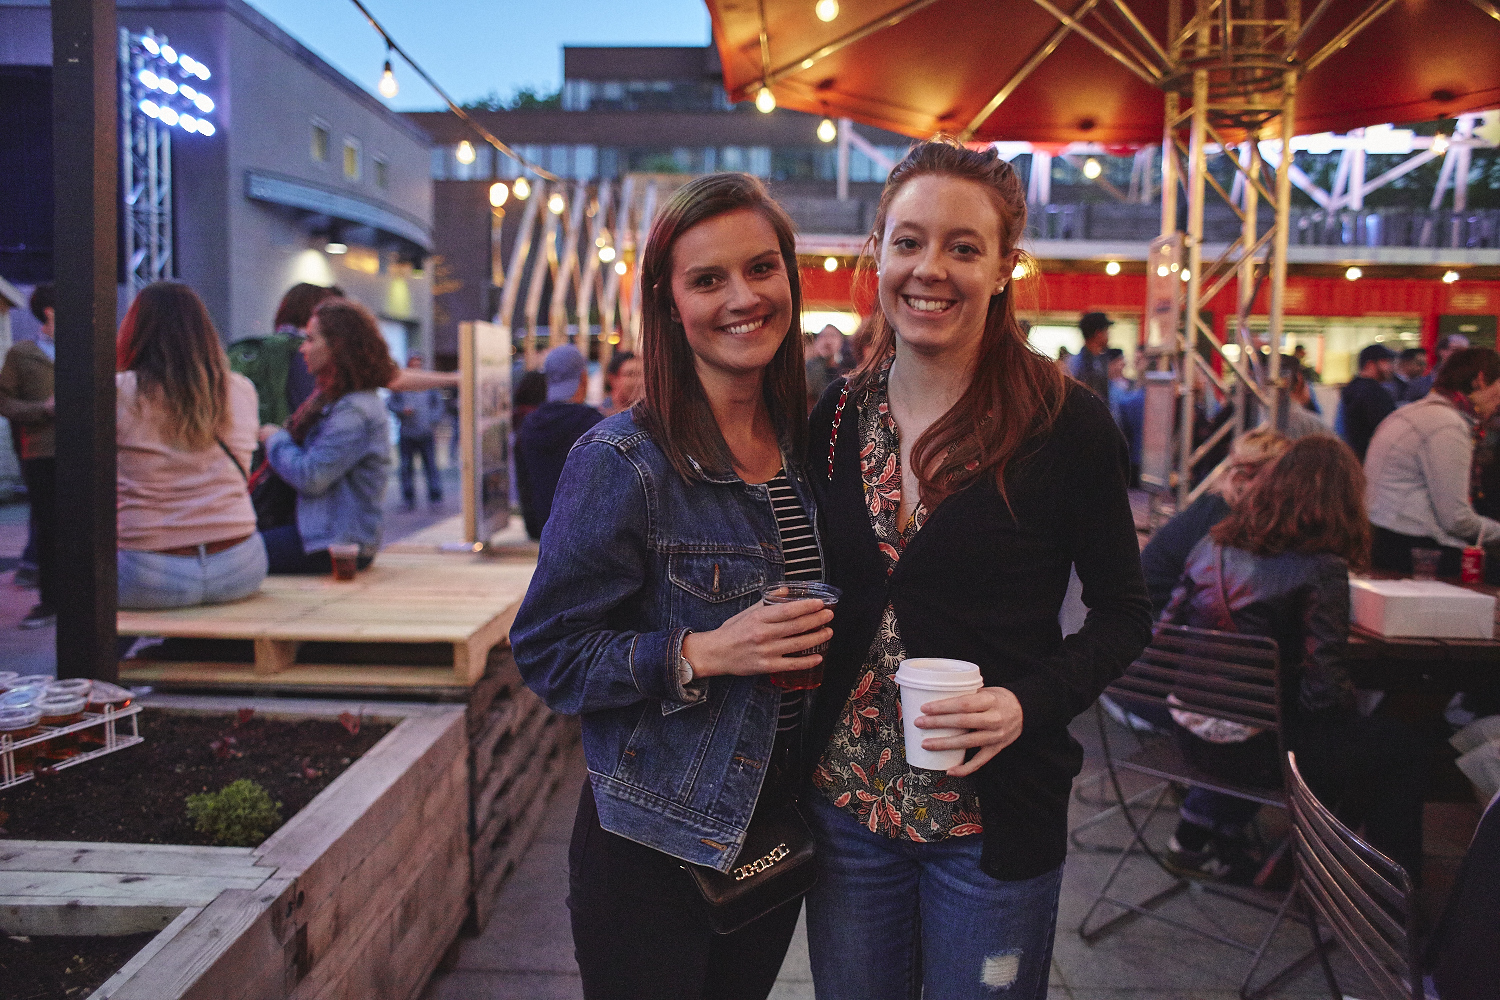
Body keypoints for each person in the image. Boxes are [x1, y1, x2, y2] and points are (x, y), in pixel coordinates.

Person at [804, 140, 1153, 1000]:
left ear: (1004, 268)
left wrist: (1025, 703)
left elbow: (1124, 614)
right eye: (909, 242)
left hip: (990, 822)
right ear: (878, 253)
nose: (932, 269)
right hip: (846, 813)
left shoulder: (1064, 422)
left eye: (964, 247)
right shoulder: (839, 413)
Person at [509, 172, 831, 999]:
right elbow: (548, 655)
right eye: (707, 278)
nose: (742, 298)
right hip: (653, 844)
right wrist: (705, 651)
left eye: (761, 268)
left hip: (773, 826)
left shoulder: (810, 450)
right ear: (670, 302)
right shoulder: (622, 461)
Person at [1159, 436, 1426, 881]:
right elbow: (1324, 697)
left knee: (1362, 742)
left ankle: (1302, 860)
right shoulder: (1321, 568)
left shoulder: (1213, 544)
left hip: (1187, 732)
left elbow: (1165, 638)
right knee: (1399, 746)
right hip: (1257, 751)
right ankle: (1390, 896)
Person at [115, 282, 267, 608]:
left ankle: (112, 661)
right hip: (242, 565)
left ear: (135, 330)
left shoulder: (118, 391)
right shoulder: (241, 389)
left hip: (149, 571)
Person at [257, 299, 396, 574]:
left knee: (236, 557)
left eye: (310, 339)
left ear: (337, 346)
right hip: (322, 536)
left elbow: (312, 476)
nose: (302, 348)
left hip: (334, 545)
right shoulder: (338, 401)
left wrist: (274, 439)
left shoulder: (354, 410)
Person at [1365, 347, 1500, 578]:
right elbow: (1456, 520)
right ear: (1480, 379)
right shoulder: (1447, 425)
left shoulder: (1413, 413)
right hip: (1411, 547)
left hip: (1380, 539)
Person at [1140, 428, 1290, 617]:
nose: (1288, 487)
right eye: (1282, 477)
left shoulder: (1215, 507)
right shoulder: (1222, 523)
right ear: (1244, 478)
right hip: (1159, 626)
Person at [0, 284, 57, 628]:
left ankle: (91, 599)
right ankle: (51, 601)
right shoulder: (21, 354)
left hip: (89, 454)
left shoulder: (88, 349)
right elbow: (4, 402)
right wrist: (43, 409)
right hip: (41, 454)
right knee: (49, 527)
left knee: (92, 526)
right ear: (50, 312)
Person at [513, 344, 603, 540]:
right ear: (584, 378)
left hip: (540, 528)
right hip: (584, 533)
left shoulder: (530, 424)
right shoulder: (594, 425)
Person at [386, 355, 446, 510]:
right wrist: (401, 411)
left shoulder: (428, 384)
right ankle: (408, 499)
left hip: (426, 432)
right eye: (413, 364)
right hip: (407, 432)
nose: (416, 367)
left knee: (431, 466)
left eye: (418, 364)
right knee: (406, 467)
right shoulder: (401, 383)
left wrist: (432, 420)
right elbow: (390, 403)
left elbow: (438, 405)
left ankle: (435, 497)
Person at [1335, 343, 1396, 461]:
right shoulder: (1374, 392)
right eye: (1385, 362)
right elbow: (1386, 427)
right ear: (1370, 364)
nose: (1390, 367)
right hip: (1370, 458)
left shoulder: (1351, 388)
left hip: (1351, 458)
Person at [1406, 333, 1470, 401]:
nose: (1462, 355)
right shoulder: (1421, 383)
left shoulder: (1472, 381)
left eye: (1466, 352)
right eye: (1456, 350)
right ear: (1442, 351)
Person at [1067, 311, 1113, 399]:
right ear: (1098, 333)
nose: (1109, 336)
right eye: (1106, 331)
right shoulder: (1077, 362)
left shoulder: (1074, 361)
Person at [805, 323, 844, 410]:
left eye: (833, 336)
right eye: (824, 336)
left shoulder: (846, 368)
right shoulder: (810, 368)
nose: (828, 341)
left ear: (840, 342)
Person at [600, 350, 644, 416]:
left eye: (641, 375)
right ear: (613, 379)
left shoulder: (644, 417)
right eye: (630, 374)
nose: (638, 381)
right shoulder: (599, 416)